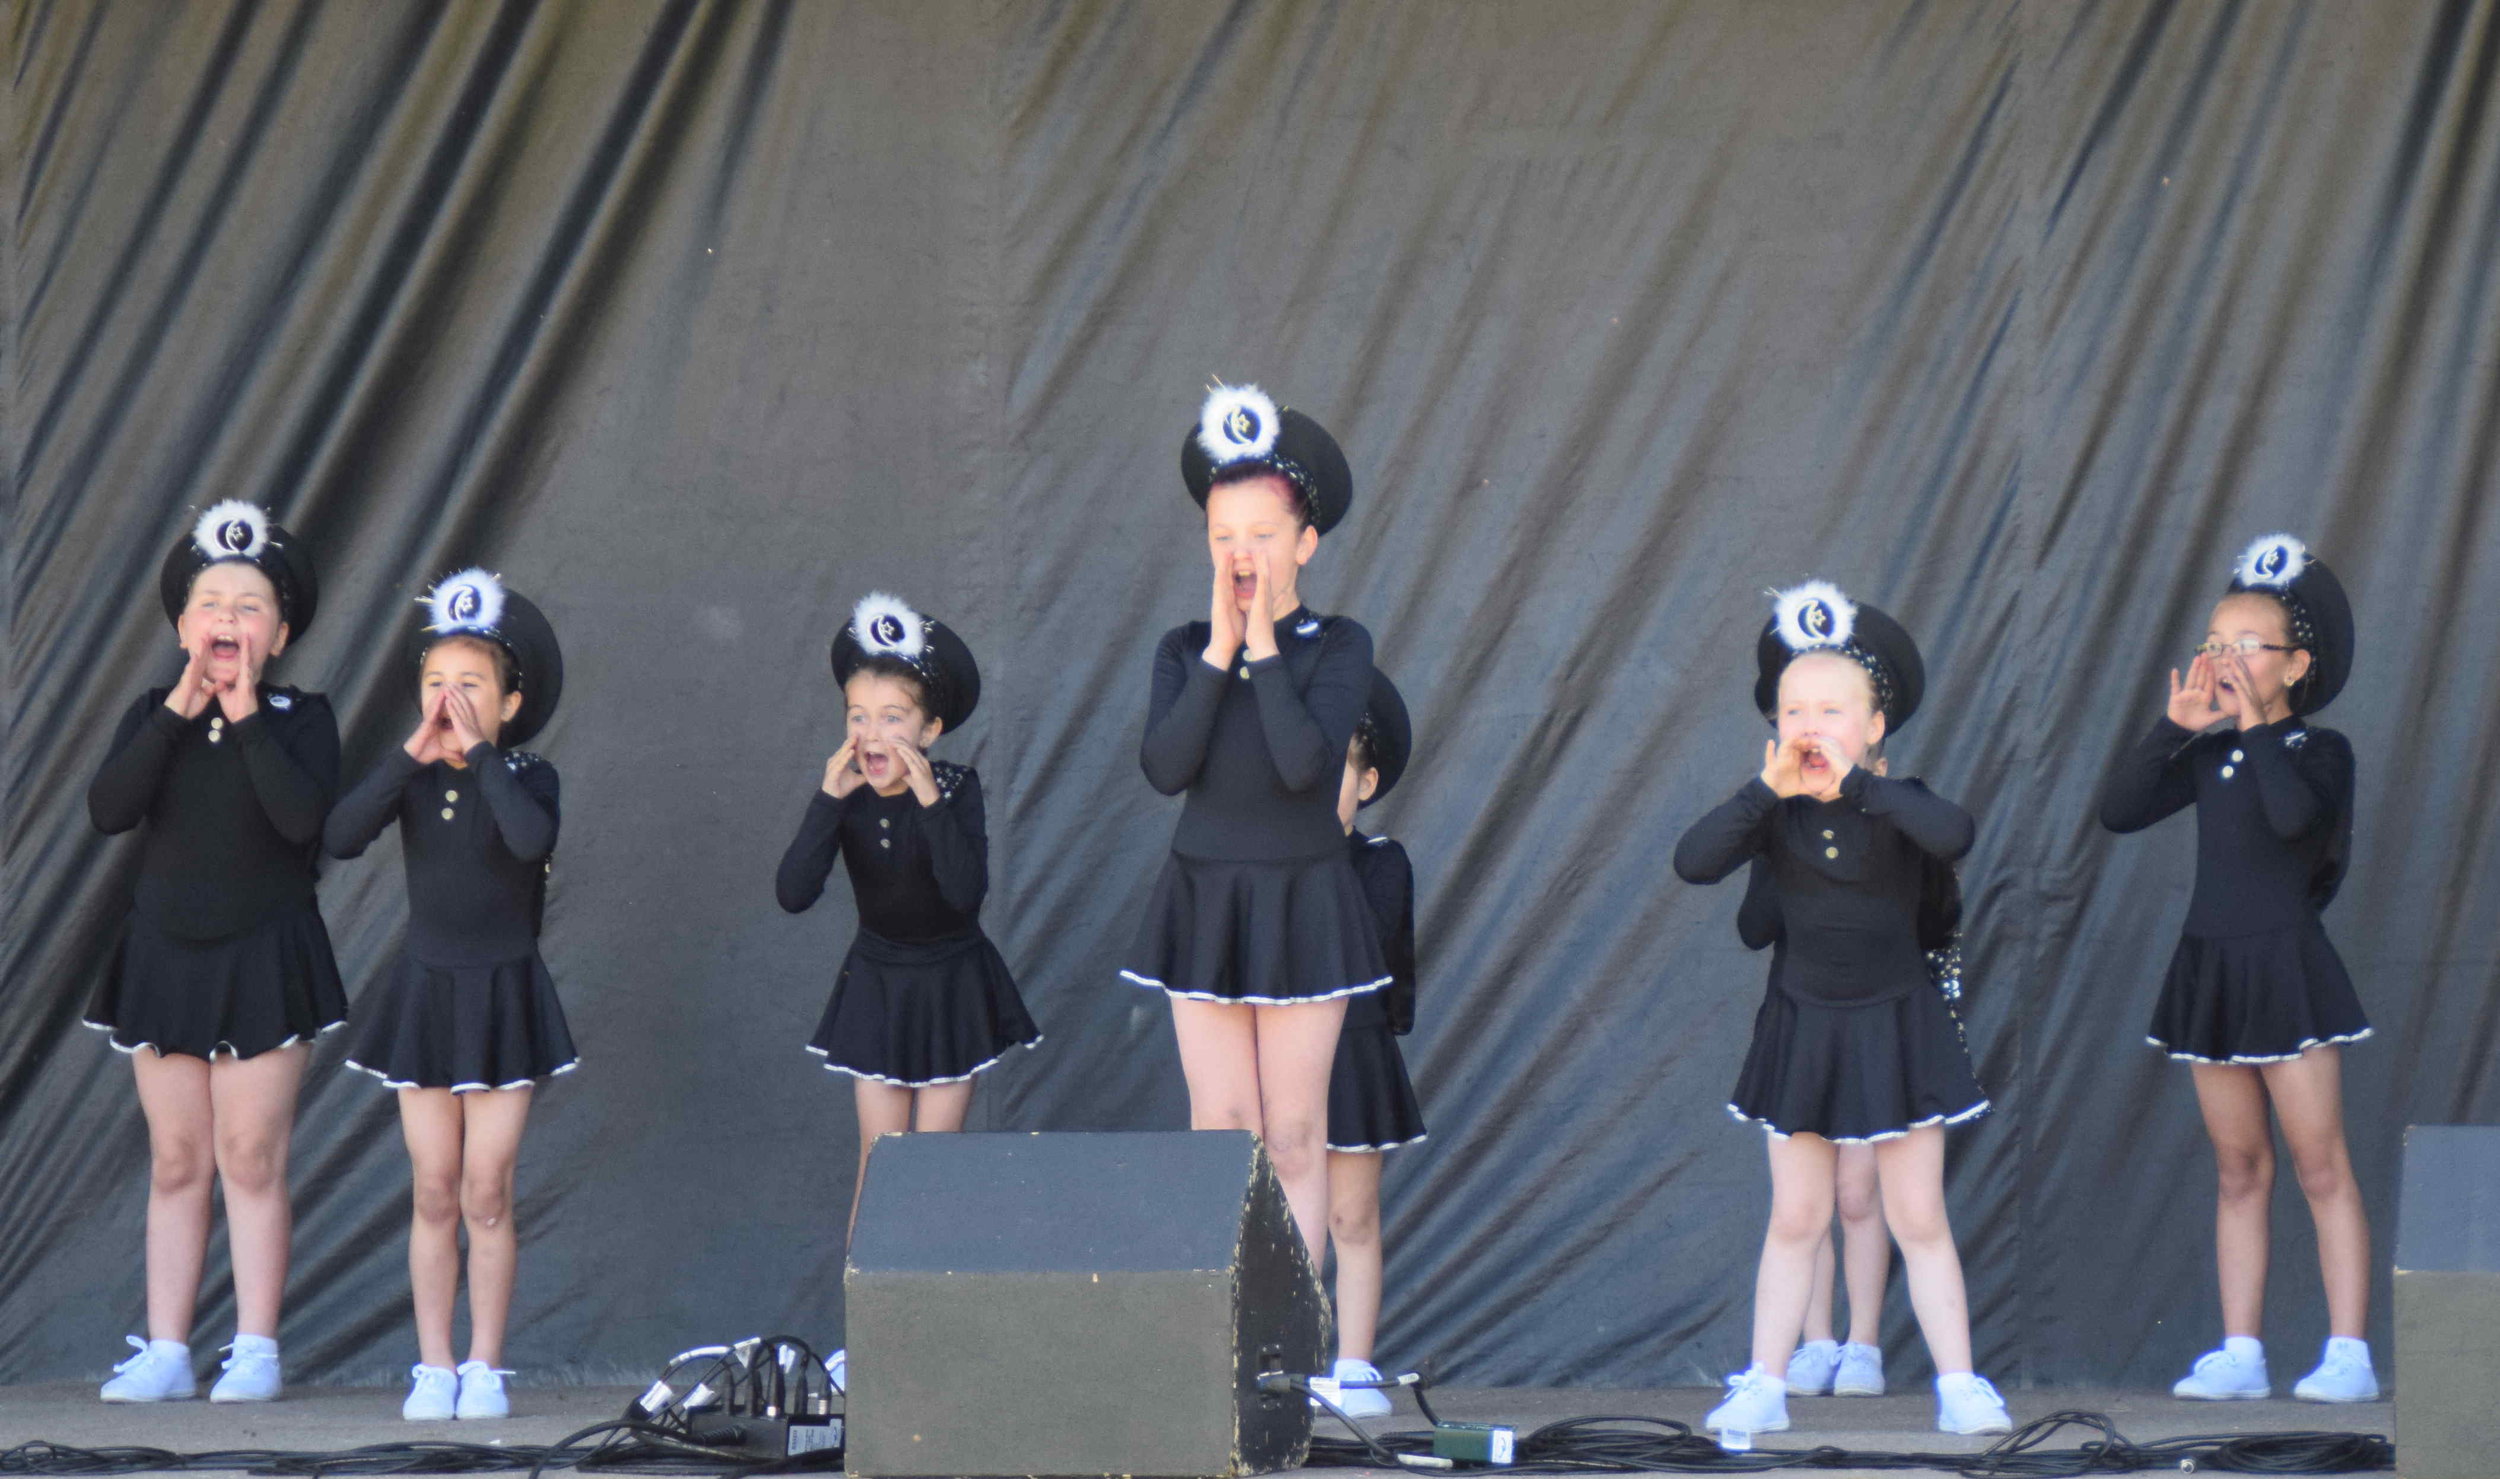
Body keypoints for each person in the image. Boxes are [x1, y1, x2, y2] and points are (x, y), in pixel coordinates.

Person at [1674, 580, 2008, 1437]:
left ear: (1874, 726)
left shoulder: (1897, 805)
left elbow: (1955, 832)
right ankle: (1764, 1382)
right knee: (1796, 1216)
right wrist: (1765, 790)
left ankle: (1961, 1382)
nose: (1811, 724)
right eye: (1794, 709)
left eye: (1832, 708)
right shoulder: (1771, 814)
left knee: (1918, 1214)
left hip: (1896, 1022)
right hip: (1805, 1024)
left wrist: (1857, 785)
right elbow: (1692, 860)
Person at [2096, 534, 2374, 1403]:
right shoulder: (2209, 755)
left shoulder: (2319, 753)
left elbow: (2294, 824)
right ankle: (2242, 1350)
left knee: (2319, 1165)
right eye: (2213, 641)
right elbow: (2120, 809)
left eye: (2242, 645)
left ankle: (2347, 1353)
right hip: (2210, 968)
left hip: (2285, 968)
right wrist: (2173, 728)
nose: (2221, 657)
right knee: (2238, 1168)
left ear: (2294, 665)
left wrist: (2253, 723)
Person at [1127, 384, 1386, 1271]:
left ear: (1305, 545)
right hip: (1205, 896)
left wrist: (1265, 645)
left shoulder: (1339, 644)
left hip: (1306, 895)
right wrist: (1220, 651)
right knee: (1223, 1129)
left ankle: (1297, 1351)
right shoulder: (1181, 648)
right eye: (1223, 536)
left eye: (1263, 536)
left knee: (1295, 1131)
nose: (1242, 555)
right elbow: (1165, 767)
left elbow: (1306, 770)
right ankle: (1226, 1332)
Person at [87, 501, 340, 1404]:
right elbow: (110, 809)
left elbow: (304, 821)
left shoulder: (302, 718)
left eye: (250, 604)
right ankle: (165, 1346)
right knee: (178, 1158)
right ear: (182, 625)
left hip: (264, 952)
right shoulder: (153, 712)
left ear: (277, 633)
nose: (228, 617)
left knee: (250, 1154)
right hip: (166, 951)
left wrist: (244, 715)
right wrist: (183, 712)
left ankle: (257, 1347)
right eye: (211, 602)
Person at [325, 569, 575, 1421]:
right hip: (426, 994)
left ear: (510, 702)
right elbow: (341, 834)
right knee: (433, 1185)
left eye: (470, 684)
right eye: (436, 682)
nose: (450, 698)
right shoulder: (413, 775)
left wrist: (481, 757)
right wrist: (409, 755)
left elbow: (528, 837)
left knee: (486, 1186)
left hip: (503, 992)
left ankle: (485, 1363)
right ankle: (433, 1364)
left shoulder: (530, 775)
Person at [778, 592, 1040, 1392]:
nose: (872, 733)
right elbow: (793, 890)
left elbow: (964, 892)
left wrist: (927, 799)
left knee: (933, 1163)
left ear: (929, 729)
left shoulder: (955, 788)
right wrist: (828, 798)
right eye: (858, 715)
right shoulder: (846, 793)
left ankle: (932, 1326)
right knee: (880, 1160)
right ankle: (870, 1328)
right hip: (880, 983)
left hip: (951, 982)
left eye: (894, 717)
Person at [1308, 670, 1422, 1421]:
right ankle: (1277, 1366)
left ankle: (1353, 1364)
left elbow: (1380, 960)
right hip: (1271, 1058)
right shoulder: (1258, 867)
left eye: (1335, 773)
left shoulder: (1381, 862)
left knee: (1351, 1217)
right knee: (1283, 1225)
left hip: (1351, 1051)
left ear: (1367, 778)